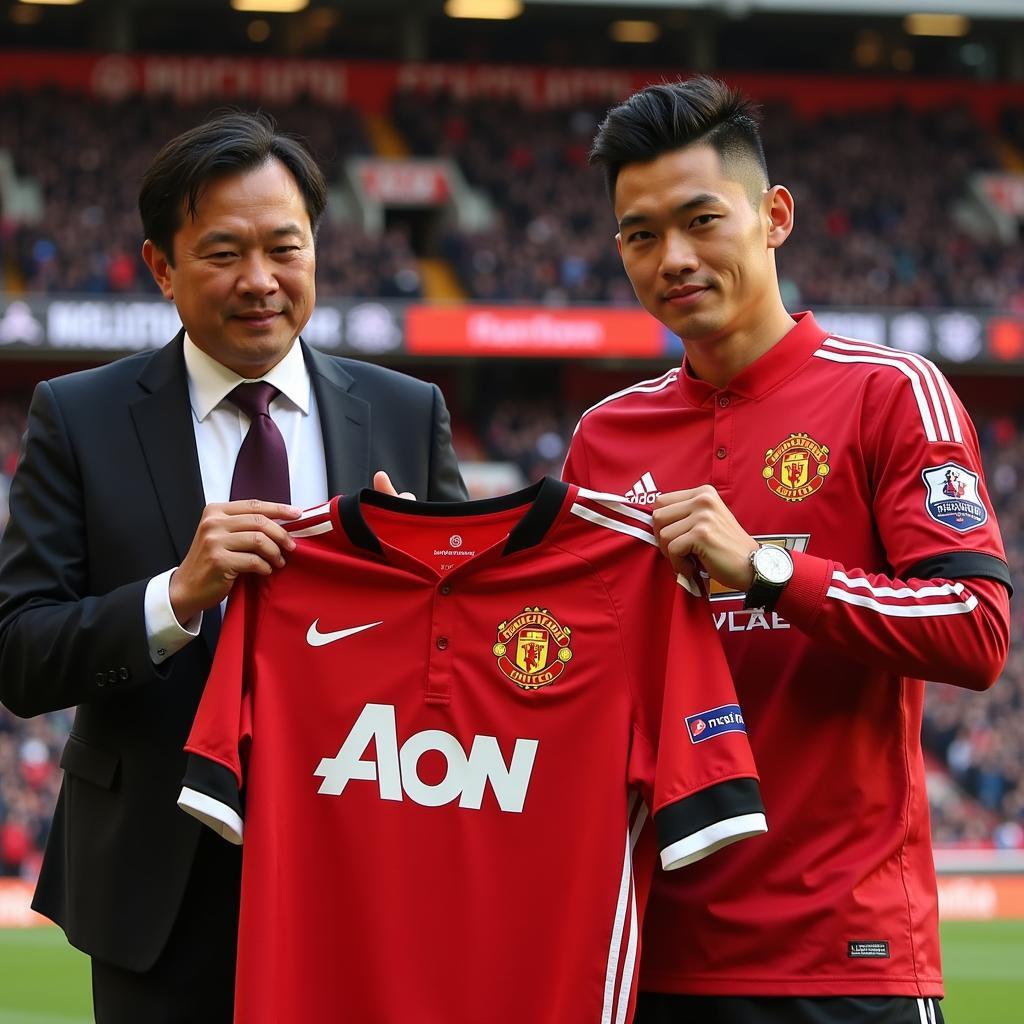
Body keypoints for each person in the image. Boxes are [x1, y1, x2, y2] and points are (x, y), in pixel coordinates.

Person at [0, 111, 466, 1023]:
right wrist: (174, 597)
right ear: (161, 267)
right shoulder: (79, 418)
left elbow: (470, 660)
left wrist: (426, 589)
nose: (260, 281)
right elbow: (18, 653)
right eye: (222, 253)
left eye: (284, 248)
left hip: (367, 869)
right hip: (161, 891)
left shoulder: (407, 414)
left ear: (318, 252)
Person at [562, 77, 1011, 1024]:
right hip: (652, 954)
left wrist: (768, 569)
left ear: (775, 216)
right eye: (640, 236)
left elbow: (977, 630)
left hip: (844, 958)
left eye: (699, 220)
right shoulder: (605, 436)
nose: (672, 258)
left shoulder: (892, 393)